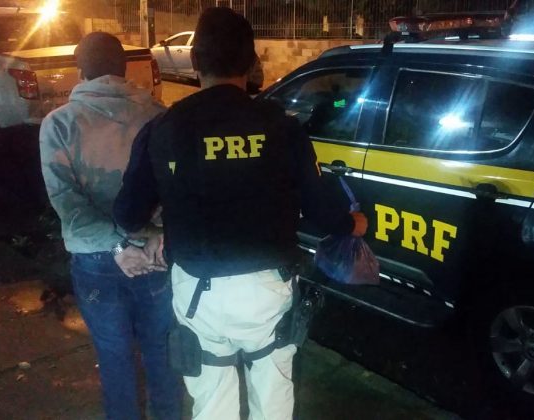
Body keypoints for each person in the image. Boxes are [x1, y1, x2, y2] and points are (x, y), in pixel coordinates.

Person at [113, 7, 367, 420]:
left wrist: (160, 226)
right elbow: (322, 210)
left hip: (199, 291)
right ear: (251, 64)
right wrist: (352, 224)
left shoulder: (163, 128)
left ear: (195, 61)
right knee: (273, 393)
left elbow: (127, 215)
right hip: (267, 290)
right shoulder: (283, 127)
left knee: (213, 401)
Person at [39, 32, 182, 420]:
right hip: (154, 256)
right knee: (162, 354)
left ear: (80, 71)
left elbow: (69, 205)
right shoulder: (159, 115)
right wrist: (154, 235)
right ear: (123, 70)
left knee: (115, 358)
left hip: (97, 262)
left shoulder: (59, 124)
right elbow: (177, 189)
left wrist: (119, 245)